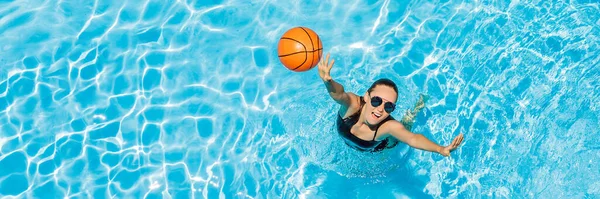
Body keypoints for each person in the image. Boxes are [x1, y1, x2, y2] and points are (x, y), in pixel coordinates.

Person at [317, 53, 464, 156]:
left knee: (404, 128)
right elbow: (339, 94)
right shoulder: (352, 106)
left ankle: (417, 108)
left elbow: (412, 139)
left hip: (384, 147)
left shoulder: (386, 127)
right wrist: (328, 82)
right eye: (377, 100)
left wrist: (440, 149)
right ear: (367, 96)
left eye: (389, 107)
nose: (380, 109)